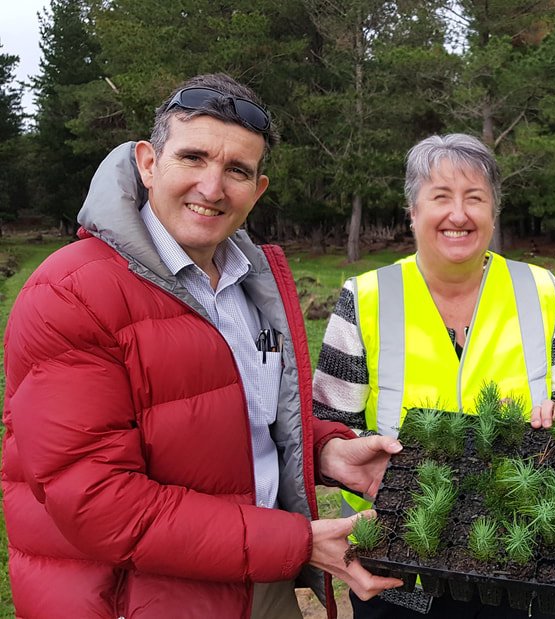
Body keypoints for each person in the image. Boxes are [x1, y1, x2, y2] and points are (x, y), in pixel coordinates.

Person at [1, 73, 405, 619]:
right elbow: (101, 505)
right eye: (193, 157)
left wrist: (325, 451)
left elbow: (234, 423)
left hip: (259, 583)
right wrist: (297, 543)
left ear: (258, 190)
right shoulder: (72, 294)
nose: (213, 188)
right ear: (148, 163)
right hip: (136, 599)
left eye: (237, 170)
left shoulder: (249, 283)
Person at [312, 133, 555, 617]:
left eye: (475, 198)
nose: (459, 215)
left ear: (493, 211)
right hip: (397, 549)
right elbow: (327, 422)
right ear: (413, 210)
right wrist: (377, 466)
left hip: (515, 543)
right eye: (440, 197)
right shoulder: (366, 296)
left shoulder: (538, 288)